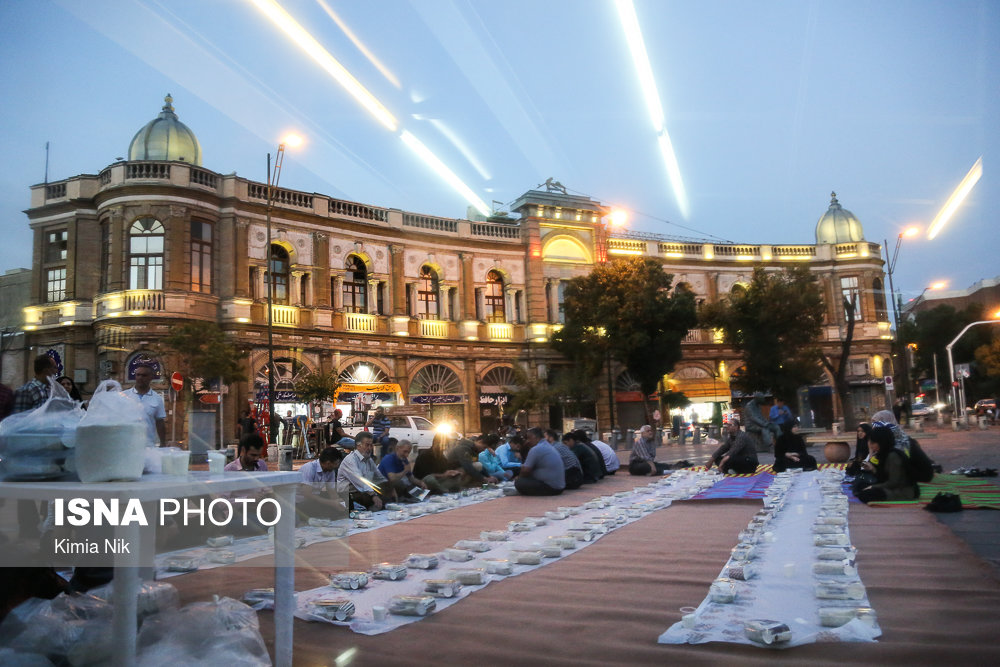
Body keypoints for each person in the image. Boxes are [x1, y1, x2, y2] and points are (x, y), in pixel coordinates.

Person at [853, 424, 918, 503]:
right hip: (890, 487)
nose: (871, 446)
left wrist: (873, 487)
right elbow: (884, 477)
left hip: (901, 491)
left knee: (865, 494)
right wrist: (873, 469)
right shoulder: (883, 454)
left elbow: (893, 482)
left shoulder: (893, 456)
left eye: (873, 443)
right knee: (860, 486)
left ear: (881, 442)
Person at [336, 432, 394, 510]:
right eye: (367, 445)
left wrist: (389, 487)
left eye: (371, 445)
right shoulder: (350, 460)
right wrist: (373, 495)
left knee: (391, 491)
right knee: (373, 500)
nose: (370, 448)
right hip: (350, 495)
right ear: (358, 445)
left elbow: (379, 478)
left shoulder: (368, 460)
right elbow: (360, 481)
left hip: (364, 492)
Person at [514, 427, 565, 496]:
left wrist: (519, 478)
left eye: (529, 438)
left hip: (551, 487)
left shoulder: (536, 449)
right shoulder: (549, 446)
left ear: (534, 437)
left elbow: (525, 471)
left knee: (519, 482)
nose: (527, 441)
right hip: (560, 487)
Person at [297, 447, 344, 520]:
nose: (337, 466)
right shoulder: (310, 468)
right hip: (301, 502)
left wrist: (338, 502)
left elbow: (332, 492)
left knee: (337, 508)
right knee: (320, 508)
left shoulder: (330, 471)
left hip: (315, 499)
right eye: (336, 464)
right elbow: (307, 495)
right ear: (328, 463)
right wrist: (331, 503)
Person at [126, 363, 167, 446]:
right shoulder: (124, 396)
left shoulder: (157, 399)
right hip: (127, 445)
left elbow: (160, 423)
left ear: (151, 377)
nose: (140, 378)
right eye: (138, 375)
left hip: (148, 445)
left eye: (144, 375)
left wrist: (163, 443)